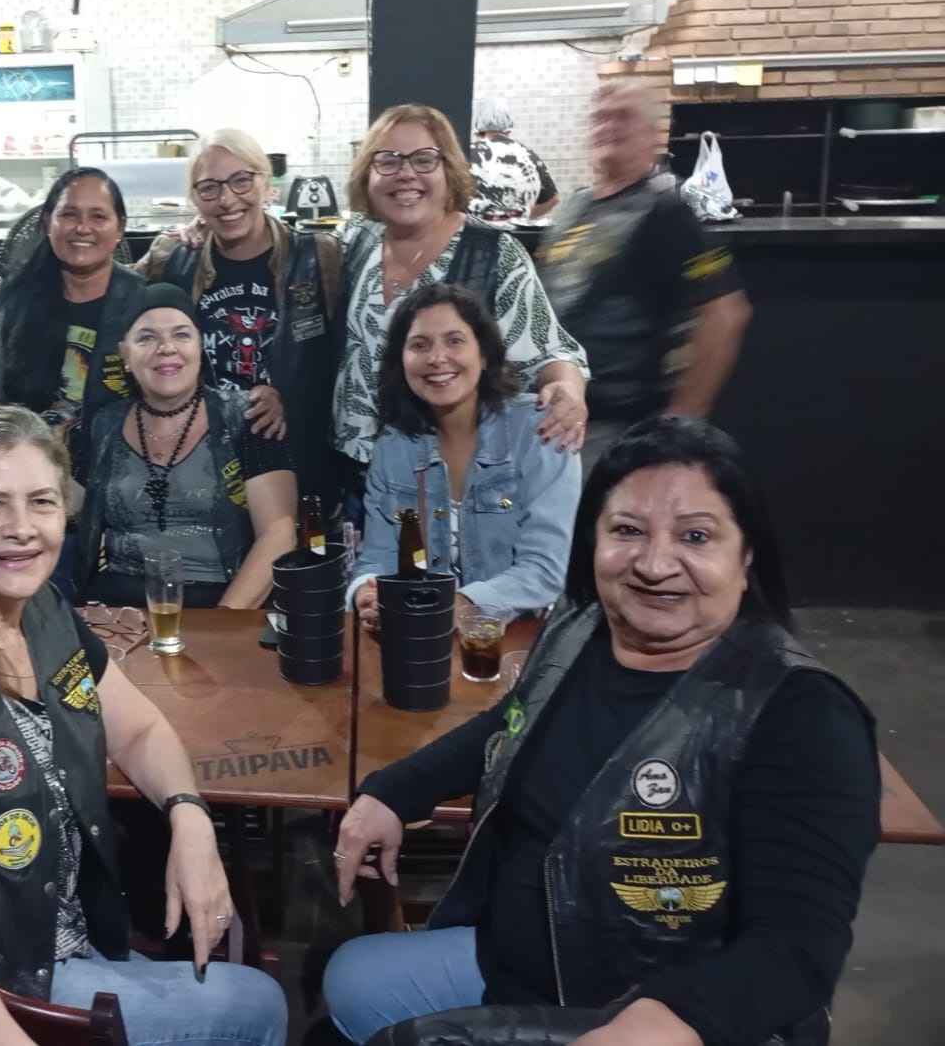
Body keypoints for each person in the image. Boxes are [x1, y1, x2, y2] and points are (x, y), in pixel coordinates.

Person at [323, 415, 879, 1046]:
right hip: (516, 970)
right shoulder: (582, 627)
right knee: (350, 978)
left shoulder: (803, 714)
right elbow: (511, 724)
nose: (655, 564)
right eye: (627, 530)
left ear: (746, 556)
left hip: (642, 1017)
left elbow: (796, 949)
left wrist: (665, 1022)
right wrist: (392, 792)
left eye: (696, 536)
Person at [0, 405, 287, 1046]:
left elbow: (139, 730)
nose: (22, 529)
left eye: (41, 502)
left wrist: (189, 819)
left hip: (67, 939)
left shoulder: (41, 608)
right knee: (257, 1007)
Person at [331, 104, 591, 523]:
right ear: (368, 174)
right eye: (388, 160)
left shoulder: (493, 254)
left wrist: (568, 390)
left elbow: (550, 352)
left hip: (448, 485)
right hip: (354, 477)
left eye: (423, 160)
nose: (405, 174)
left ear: (448, 170)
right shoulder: (355, 241)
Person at [536, 81, 753, 474]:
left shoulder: (668, 209)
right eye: (600, 117)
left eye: (623, 116)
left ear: (653, 134)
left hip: (616, 429)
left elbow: (725, 314)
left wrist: (678, 430)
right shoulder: (576, 206)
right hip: (553, 420)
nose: (607, 126)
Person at [133, 129, 343, 507]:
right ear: (195, 197)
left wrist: (286, 399)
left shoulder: (320, 258)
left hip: (302, 467)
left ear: (266, 184)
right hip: (204, 472)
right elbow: (110, 300)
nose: (227, 199)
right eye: (209, 188)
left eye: (241, 180)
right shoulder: (173, 259)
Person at [350, 284, 579, 629]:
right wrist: (365, 594)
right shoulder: (393, 444)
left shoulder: (541, 429)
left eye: (454, 341)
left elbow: (545, 569)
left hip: (520, 638)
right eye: (419, 345)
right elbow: (376, 558)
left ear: (484, 354)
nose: (437, 358)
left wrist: (457, 606)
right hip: (421, 636)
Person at [73, 284, 297, 610]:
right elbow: (61, 506)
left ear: (200, 345)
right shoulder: (101, 425)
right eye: (146, 338)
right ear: (124, 354)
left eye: (181, 335)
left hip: (224, 602)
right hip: (119, 607)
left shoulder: (250, 418)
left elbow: (278, 534)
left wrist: (220, 623)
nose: (166, 348)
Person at [0, 167, 146, 479]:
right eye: (69, 214)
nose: (83, 228)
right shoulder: (13, 300)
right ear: (49, 222)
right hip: (22, 479)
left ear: (120, 228)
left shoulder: (143, 304)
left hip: (118, 483)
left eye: (98, 216)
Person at [467, 96, 559, 224]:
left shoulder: (467, 154)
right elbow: (553, 199)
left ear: (477, 123)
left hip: (475, 232)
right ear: (509, 123)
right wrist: (522, 217)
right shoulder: (528, 155)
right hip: (516, 234)